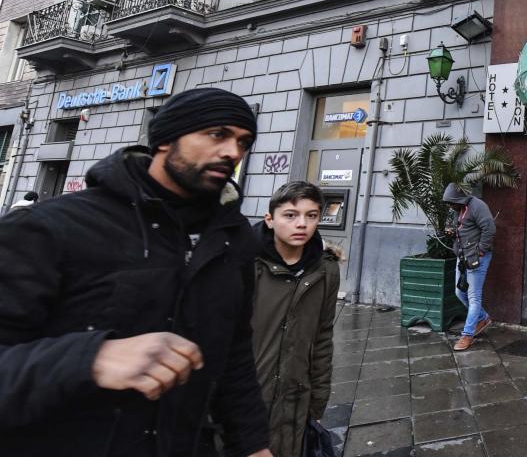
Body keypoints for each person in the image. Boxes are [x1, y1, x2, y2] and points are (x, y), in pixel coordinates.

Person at [0, 87, 273, 457]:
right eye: (217, 134)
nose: (233, 152)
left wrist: (253, 444)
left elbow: (234, 354)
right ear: (165, 140)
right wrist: (90, 358)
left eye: (244, 141)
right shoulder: (49, 228)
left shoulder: (234, 238)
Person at [252, 181, 340, 457]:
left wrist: (317, 399)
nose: (301, 224)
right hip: (246, 396)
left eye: (311, 215)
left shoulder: (326, 271)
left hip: (294, 400)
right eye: (290, 215)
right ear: (270, 219)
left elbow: (323, 337)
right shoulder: (244, 264)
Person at [443, 182, 496, 351]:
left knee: (474, 297)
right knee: (460, 292)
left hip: (477, 258)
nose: (450, 206)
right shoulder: (458, 210)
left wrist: (481, 250)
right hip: (463, 256)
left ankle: (467, 335)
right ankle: (483, 318)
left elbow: (489, 228)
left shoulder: (477, 206)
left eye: (451, 202)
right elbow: (462, 229)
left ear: (459, 199)